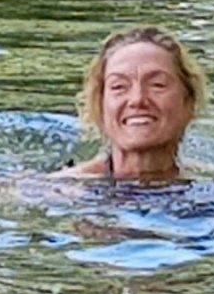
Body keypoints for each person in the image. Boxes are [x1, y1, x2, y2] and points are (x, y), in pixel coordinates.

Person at [55, 26, 205, 185]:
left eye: (157, 85)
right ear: (99, 106)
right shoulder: (59, 191)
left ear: (189, 104)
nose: (137, 99)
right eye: (119, 86)